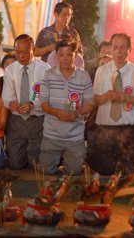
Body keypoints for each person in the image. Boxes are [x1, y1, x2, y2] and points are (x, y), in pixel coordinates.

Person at [86, 33, 134, 175]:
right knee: (104, 171)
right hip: (104, 129)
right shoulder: (102, 71)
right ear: (111, 49)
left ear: (129, 50)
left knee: (127, 173)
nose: (118, 51)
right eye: (115, 47)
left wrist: (124, 97)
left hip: (129, 130)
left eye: (122, 47)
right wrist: (107, 96)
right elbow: (94, 100)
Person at [39, 40, 94, 175]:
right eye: (61, 54)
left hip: (75, 137)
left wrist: (77, 113)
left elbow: (90, 103)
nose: (65, 58)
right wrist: (56, 112)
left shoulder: (84, 76)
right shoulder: (48, 75)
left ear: (75, 56)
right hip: (51, 134)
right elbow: (43, 103)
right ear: (56, 56)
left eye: (69, 54)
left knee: (73, 173)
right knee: (45, 172)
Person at [2, 34, 50, 169]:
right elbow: (6, 96)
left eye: (25, 52)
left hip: (37, 121)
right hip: (16, 122)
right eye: (17, 53)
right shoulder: (11, 69)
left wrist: (32, 104)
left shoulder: (44, 69)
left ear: (33, 49)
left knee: (35, 166)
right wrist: (10, 103)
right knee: (15, 164)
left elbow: (48, 96)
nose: (21, 56)